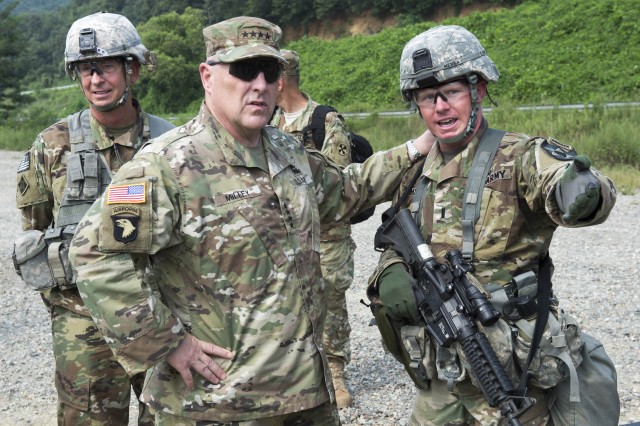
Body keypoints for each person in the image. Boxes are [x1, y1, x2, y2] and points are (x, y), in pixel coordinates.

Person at [67, 15, 433, 425]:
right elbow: (95, 256)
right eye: (243, 70)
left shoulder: (285, 151)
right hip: (216, 406)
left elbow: (346, 191)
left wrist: (421, 145)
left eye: (270, 71)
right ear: (207, 76)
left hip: (304, 398)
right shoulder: (167, 164)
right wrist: (165, 343)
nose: (259, 84)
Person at [366, 25, 618, 425]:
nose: (440, 108)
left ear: (478, 90)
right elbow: (398, 239)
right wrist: (390, 270)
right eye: (428, 97)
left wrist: (582, 193)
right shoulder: (416, 169)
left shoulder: (517, 155)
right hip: (444, 372)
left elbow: (565, 183)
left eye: (451, 93)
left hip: (512, 370)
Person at [12, 12, 174, 425]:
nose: (96, 79)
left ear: (132, 69)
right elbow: (40, 232)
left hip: (162, 314)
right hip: (83, 321)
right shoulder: (51, 147)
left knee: (173, 417)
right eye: (86, 69)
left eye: (106, 66)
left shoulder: (173, 143)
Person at [271, 49, 356, 408]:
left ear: (280, 81)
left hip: (327, 233)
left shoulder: (324, 119)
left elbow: (337, 179)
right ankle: (296, 370)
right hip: (281, 232)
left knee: (331, 299)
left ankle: (335, 371)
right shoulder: (265, 121)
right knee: (285, 300)